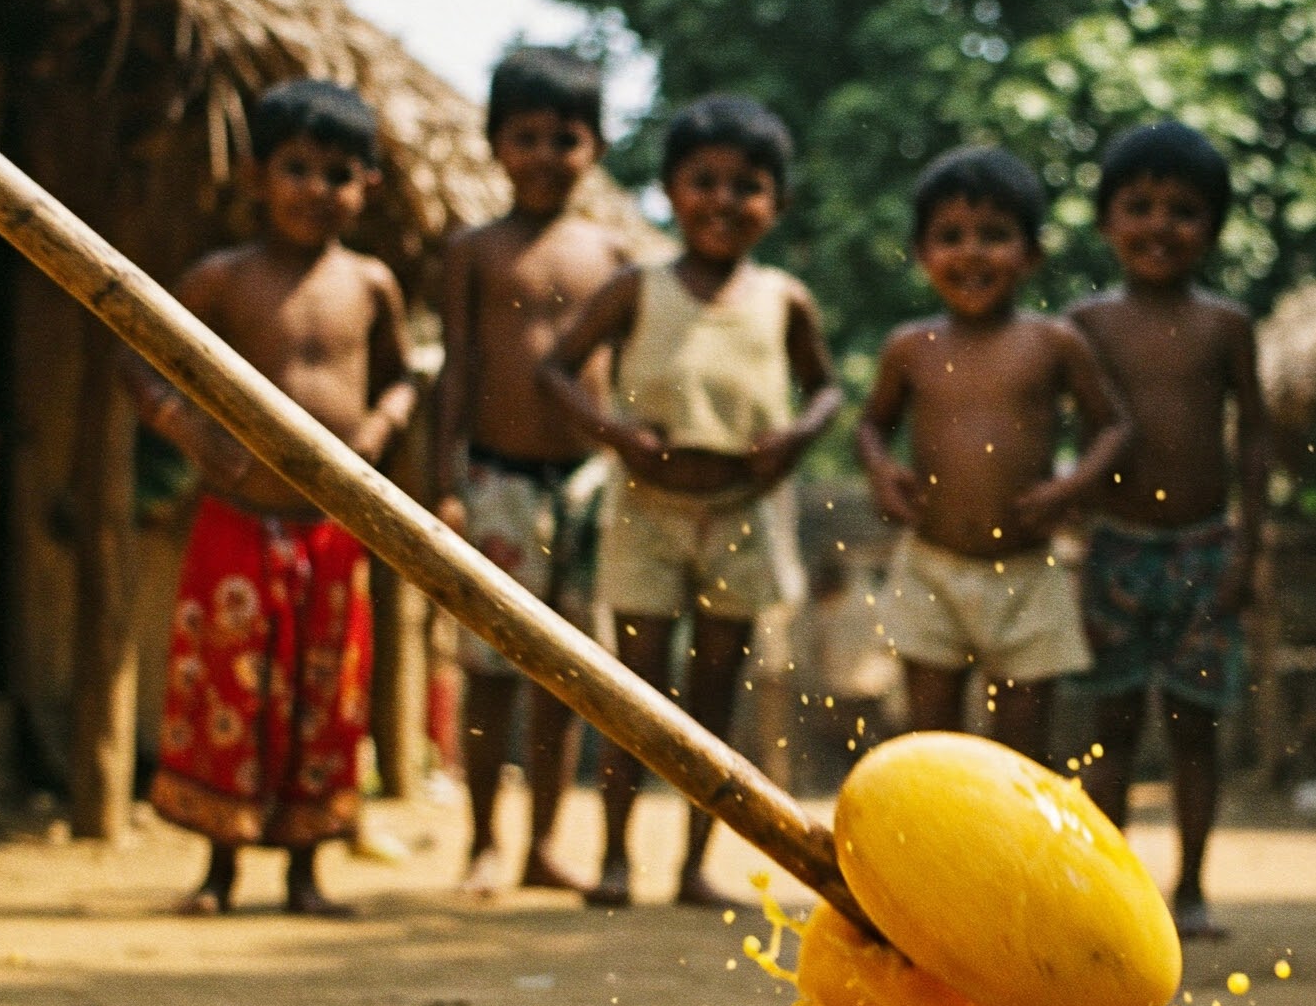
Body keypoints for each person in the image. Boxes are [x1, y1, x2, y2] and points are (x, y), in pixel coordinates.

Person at [539, 94, 839, 908]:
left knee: (713, 698)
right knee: (635, 693)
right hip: (646, 509)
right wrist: (613, 434)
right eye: (703, 181)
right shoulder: (637, 288)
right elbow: (556, 369)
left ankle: (695, 866)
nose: (724, 201)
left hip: (742, 511)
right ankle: (611, 859)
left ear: (773, 204)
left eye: (747, 186)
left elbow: (828, 392)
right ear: (671, 190)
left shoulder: (783, 298)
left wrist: (795, 438)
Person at [127, 79, 417, 916]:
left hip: (329, 528)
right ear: (256, 177)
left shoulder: (371, 285)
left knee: (326, 695)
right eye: (297, 168)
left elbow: (402, 380)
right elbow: (136, 359)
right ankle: (220, 871)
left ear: (367, 188)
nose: (316, 190)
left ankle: (305, 875)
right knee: (230, 687)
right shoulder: (221, 281)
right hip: (237, 522)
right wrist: (188, 432)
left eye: (338, 173)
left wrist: (379, 430)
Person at [858, 146, 1130, 763]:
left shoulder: (1054, 342)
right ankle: (935, 861)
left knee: (1022, 751)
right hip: (931, 565)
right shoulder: (910, 347)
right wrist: (881, 471)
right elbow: (870, 427)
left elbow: (1113, 428)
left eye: (995, 235)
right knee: (932, 747)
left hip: (1028, 572)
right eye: (950, 236)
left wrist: (1070, 488)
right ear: (923, 254)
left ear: (1031, 253)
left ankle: (1010, 863)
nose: (972, 251)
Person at [1068, 122, 1269, 940]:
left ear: (1214, 228)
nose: (1159, 226)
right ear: (1107, 221)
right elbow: (1063, 435)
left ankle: (1189, 889)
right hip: (1111, 547)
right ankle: (1105, 893)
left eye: (1183, 211)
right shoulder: (1084, 324)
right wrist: (1071, 541)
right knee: (1109, 730)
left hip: (1204, 548)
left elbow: (1254, 436)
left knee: (1195, 731)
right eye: (1138, 207)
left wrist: (1249, 547)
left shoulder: (1227, 328)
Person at [434, 47, 626, 896]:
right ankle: (482, 840)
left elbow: (622, 375)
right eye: (526, 138)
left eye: (566, 138)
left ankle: (544, 843)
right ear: (494, 144)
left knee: (568, 679)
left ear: (597, 146)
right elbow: (457, 368)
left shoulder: (613, 254)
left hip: (586, 483)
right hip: (497, 478)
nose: (546, 156)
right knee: (490, 676)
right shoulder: (473, 252)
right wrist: (445, 479)